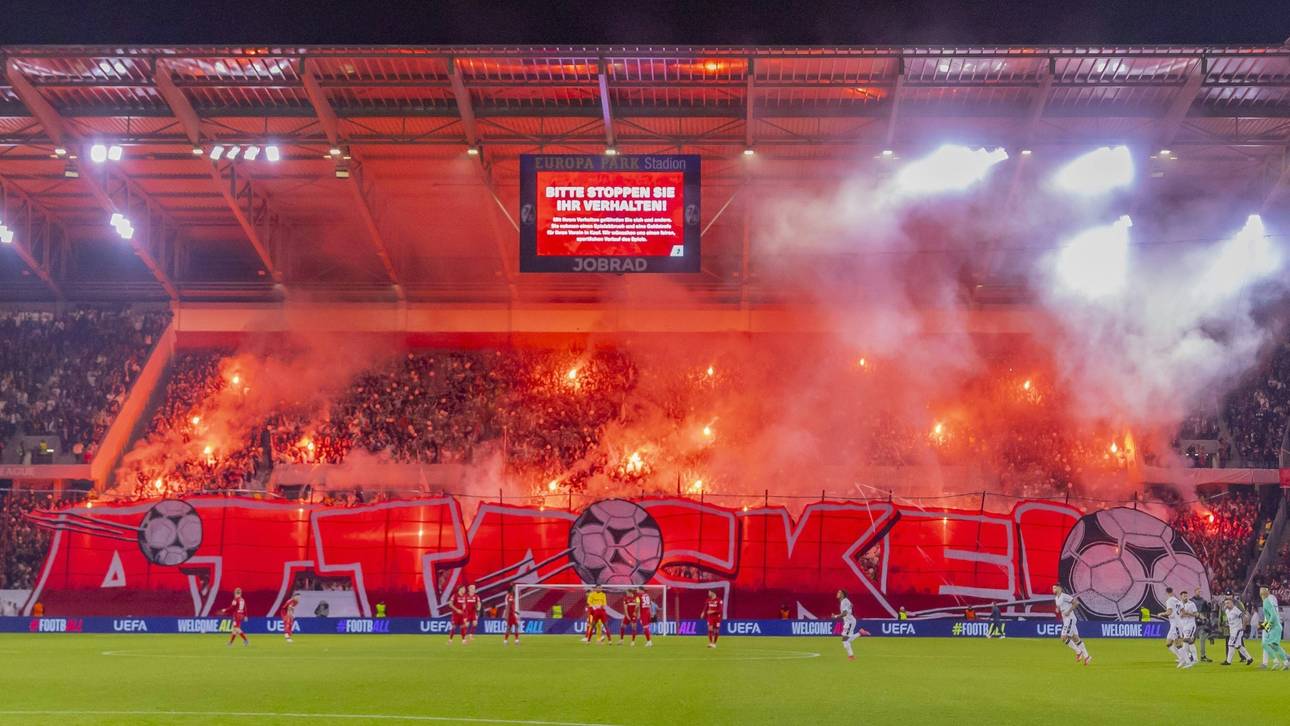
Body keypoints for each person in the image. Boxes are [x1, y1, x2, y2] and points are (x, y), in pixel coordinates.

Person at [1052, 584, 1090, 665]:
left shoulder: (1065, 596)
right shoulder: (1056, 598)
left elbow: (1076, 603)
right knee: (1076, 638)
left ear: (1059, 588)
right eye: (1053, 588)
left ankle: (1078, 651)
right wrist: (1057, 609)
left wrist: (1069, 611)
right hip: (1066, 620)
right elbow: (1058, 607)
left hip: (1070, 619)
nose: (1053, 589)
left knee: (1063, 637)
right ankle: (1087, 656)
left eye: (1054, 588)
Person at [1259, 585, 1289, 670]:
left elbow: (1273, 615)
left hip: (1273, 626)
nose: (1260, 591)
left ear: (1265, 591)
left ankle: (1275, 662)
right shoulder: (1270, 599)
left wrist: (1267, 626)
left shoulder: (1267, 601)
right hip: (1274, 625)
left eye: (1261, 589)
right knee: (1275, 646)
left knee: (1266, 644)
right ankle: (1286, 662)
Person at [1220, 596, 1253, 666]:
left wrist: (1244, 627)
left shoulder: (1236, 610)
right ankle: (1249, 658)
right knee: (1238, 646)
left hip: (1237, 630)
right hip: (1232, 630)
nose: (1227, 605)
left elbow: (1244, 617)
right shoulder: (1227, 611)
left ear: (1232, 603)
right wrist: (1227, 623)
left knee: (1230, 644)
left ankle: (1228, 661)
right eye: (1225, 603)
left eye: (1228, 603)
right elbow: (1224, 611)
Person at [833, 589, 863, 661]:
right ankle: (860, 633)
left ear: (842, 595)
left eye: (839, 592)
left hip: (849, 622)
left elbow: (845, 613)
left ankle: (851, 656)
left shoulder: (844, 602)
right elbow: (851, 605)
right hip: (849, 622)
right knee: (846, 640)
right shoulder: (845, 601)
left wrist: (835, 616)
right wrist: (849, 608)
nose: (837, 593)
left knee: (845, 640)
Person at [1161, 586, 1186, 667]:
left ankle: (1184, 660)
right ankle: (1180, 657)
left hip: (1176, 625)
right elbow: (1183, 611)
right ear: (1172, 591)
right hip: (1175, 624)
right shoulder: (1178, 601)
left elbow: (1169, 612)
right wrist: (1178, 617)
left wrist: (1161, 614)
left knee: (1178, 643)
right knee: (1168, 643)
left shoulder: (1169, 601)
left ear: (1166, 592)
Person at [1177, 591, 1199, 669]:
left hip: (1190, 625)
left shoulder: (1191, 604)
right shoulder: (1178, 604)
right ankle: (1191, 658)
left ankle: (1188, 660)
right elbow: (1179, 615)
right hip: (1182, 625)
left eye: (1187, 596)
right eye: (1184, 596)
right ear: (1181, 597)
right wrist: (1181, 615)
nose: (1186, 597)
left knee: (1186, 641)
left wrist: (1188, 613)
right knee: (1188, 642)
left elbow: (1196, 614)